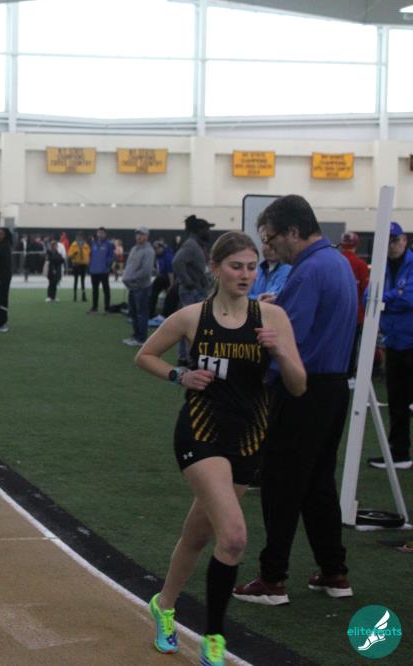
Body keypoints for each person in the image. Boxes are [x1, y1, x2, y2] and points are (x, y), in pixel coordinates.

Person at [136, 231, 305, 666]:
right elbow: (145, 355)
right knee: (234, 536)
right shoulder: (192, 317)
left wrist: (280, 353)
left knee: (198, 535)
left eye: (252, 266)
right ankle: (214, 637)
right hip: (200, 433)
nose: (245, 275)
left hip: (248, 440)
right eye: (235, 266)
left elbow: (298, 385)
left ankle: (163, 605)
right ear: (215, 268)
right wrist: (181, 376)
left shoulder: (273, 317)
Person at [233, 194, 358, 607]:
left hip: (301, 388)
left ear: (292, 231)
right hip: (333, 387)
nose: (271, 248)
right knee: (318, 483)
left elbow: (287, 340)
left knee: (280, 482)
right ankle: (334, 571)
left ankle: (272, 579)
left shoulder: (308, 271)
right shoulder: (337, 262)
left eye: (271, 239)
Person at [369, 222, 413, 470]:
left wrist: (384, 299)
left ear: (404, 240)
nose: (391, 245)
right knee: (396, 402)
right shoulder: (381, 267)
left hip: (410, 340)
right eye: (387, 241)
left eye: (395, 240)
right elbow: (368, 297)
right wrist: (394, 295)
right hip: (394, 342)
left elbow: (409, 299)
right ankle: (399, 453)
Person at [172, 215, 215, 366]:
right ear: (199, 230)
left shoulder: (197, 244)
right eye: (207, 229)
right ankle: (188, 358)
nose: (209, 232)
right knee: (191, 325)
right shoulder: (191, 245)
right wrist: (188, 281)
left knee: (190, 325)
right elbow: (177, 262)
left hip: (195, 290)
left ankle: (185, 357)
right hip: (192, 292)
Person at [339, 231, 370, 378]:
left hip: (335, 314)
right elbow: (366, 291)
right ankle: (349, 375)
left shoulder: (335, 261)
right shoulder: (360, 265)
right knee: (351, 348)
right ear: (356, 245)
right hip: (355, 315)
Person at [122, 227, 154, 346]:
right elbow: (129, 266)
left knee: (141, 313)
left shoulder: (148, 251)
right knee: (134, 313)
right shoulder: (134, 249)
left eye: (142, 234)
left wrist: (131, 278)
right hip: (132, 286)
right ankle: (136, 336)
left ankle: (141, 339)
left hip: (141, 287)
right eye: (137, 234)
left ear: (147, 236)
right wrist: (126, 277)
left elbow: (146, 271)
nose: (139, 236)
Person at [88, 227, 114, 313]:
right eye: (99, 232)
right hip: (94, 271)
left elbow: (112, 256)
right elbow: (91, 255)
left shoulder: (109, 244)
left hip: (104, 271)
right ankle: (94, 307)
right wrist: (90, 266)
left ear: (105, 234)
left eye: (102, 233)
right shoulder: (93, 243)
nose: (100, 234)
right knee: (94, 290)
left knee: (106, 290)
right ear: (97, 233)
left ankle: (107, 308)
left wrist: (107, 264)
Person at [149, 240, 174, 322]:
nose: (155, 250)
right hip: (163, 277)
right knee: (152, 292)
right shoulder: (159, 256)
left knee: (167, 295)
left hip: (169, 278)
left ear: (162, 247)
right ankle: (150, 313)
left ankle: (159, 314)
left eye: (157, 248)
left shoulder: (168, 256)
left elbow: (171, 272)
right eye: (154, 248)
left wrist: (171, 285)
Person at [68, 233, 90, 302]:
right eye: (78, 237)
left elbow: (89, 254)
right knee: (76, 280)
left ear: (83, 238)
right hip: (76, 264)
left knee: (83, 281)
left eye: (80, 237)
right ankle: (75, 296)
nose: (79, 239)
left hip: (84, 265)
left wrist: (82, 249)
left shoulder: (86, 246)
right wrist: (74, 253)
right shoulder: (73, 245)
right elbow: (69, 255)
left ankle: (83, 296)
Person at [44, 237, 64, 302]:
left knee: (55, 284)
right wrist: (56, 259)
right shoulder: (49, 252)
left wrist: (56, 259)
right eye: (55, 245)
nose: (56, 246)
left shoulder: (57, 252)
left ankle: (53, 297)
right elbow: (51, 259)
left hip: (57, 270)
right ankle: (49, 296)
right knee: (51, 284)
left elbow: (62, 260)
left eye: (56, 245)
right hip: (51, 270)